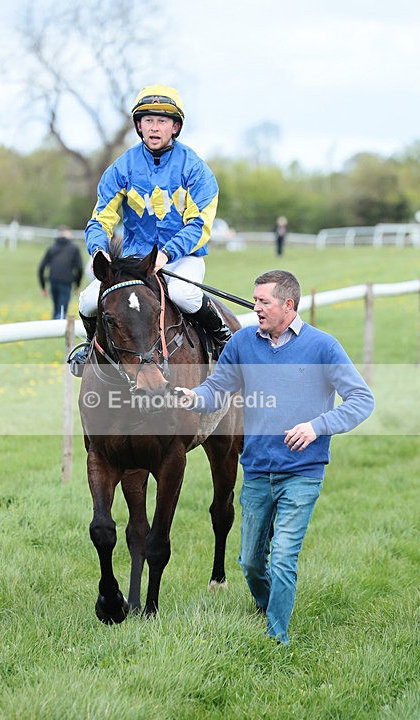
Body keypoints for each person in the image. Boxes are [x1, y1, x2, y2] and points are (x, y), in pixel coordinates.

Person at [176, 270, 374, 646]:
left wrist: (317, 426)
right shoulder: (242, 344)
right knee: (251, 563)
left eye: (263, 302)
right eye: (255, 300)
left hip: (302, 473)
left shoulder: (323, 347)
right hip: (256, 471)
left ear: (288, 304)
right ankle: (268, 605)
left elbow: (362, 400)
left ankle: (276, 637)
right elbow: (218, 389)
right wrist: (193, 396)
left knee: (282, 556)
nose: (256, 308)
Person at [68, 84, 231, 373]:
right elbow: (101, 220)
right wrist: (98, 250)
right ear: (139, 126)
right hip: (133, 261)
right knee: (88, 300)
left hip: (181, 259)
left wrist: (166, 254)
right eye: (148, 120)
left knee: (184, 294)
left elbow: (199, 225)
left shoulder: (196, 169)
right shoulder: (121, 169)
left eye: (162, 121)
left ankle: (223, 341)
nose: (155, 127)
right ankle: (92, 348)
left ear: (175, 127)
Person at [38, 226, 83, 320]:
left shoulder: (52, 248)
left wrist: (43, 287)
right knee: (62, 310)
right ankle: (58, 326)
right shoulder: (74, 249)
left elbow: (41, 268)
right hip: (66, 282)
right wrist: (77, 285)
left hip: (53, 280)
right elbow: (79, 268)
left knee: (56, 308)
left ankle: (53, 325)